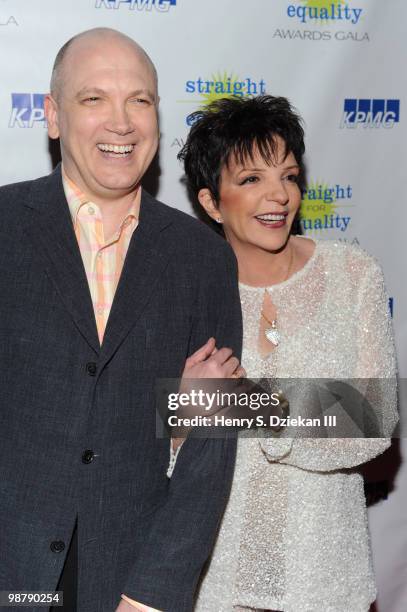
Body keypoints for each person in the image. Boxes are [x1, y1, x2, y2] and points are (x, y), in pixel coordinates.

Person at [0, 28, 243, 612]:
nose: (122, 122)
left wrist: (153, 592)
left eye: (140, 99)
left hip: (132, 576)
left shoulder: (202, 255)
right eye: (94, 99)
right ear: (53, 116)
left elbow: (212, 447)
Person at [178, 95, 398, 612]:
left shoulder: (353, 274)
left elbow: (375, 416)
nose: (279, 195)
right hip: (215, 582)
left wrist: (252, 408)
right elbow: (167, 435)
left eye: (289, 175)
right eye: (252, 179)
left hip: (326, 579)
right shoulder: (187, 294)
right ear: (212, 202)